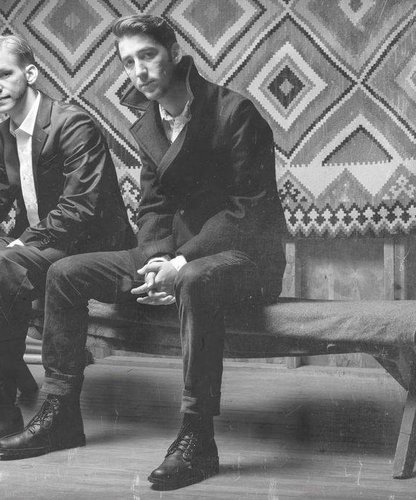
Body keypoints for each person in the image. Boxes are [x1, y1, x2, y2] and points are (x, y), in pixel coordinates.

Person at [0, 15, 287, 490]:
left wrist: (179, 263)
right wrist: (154, 259)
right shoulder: (150, 124)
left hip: (244, 259)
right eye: (128, 62)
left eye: (147, 55)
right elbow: (153, 208)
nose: (139, 70)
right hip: (175, 253)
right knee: (65, 273)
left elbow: (246, 212)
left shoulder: (236, 113)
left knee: (194, 278)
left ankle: (198, 437)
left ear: (174, 53)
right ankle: (61, 414)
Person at [0, 35, 134, 440]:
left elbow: (80, 209)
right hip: (41, 247)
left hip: (92, 250)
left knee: (6, 264)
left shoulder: (72, 123)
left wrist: (21, 243)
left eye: (4, 74)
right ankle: (12, 385)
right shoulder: (3, 132)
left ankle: (4, 411)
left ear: (30, 74)